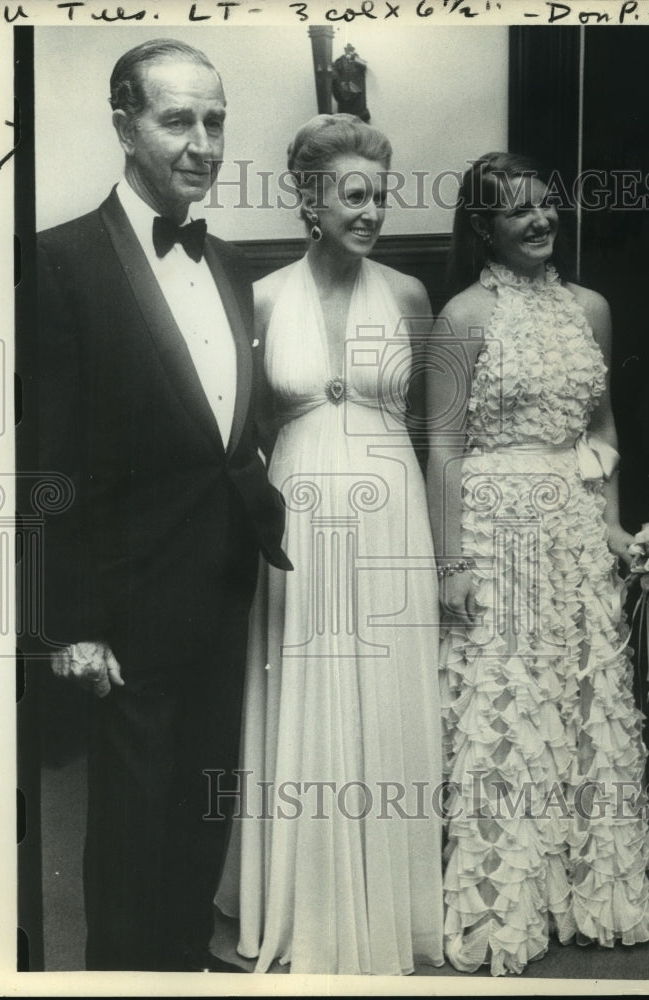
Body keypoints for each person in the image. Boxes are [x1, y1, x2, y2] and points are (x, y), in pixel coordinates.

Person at [36, 38, 290, 972]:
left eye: (215, 120)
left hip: (223, 592)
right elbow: (46, 467)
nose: (201, 142)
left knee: (199, 818)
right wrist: (70, 625)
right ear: (124, 127)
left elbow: (228, 433)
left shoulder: (228, 264)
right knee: (132, 837)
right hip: (124, 608)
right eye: (176, 119)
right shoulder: (59, 261)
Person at [214, 114, 445, 975]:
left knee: (387, 686)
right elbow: (259, 423)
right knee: (305, 681)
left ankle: (396, 903)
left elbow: (425, 425)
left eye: (380, 195)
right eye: (354, 195)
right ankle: (302, 903)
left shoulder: (412, 298)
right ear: (310, 200)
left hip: (392, 510)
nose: (373, 210)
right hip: (301, 510)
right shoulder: (263, 296)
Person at [426, 151, 649, 976]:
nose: (538, 221)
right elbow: (445, 447)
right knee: (509, 712)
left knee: (585, 699)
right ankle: (505, 909)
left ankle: (588, 894)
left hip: (571, 525)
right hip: (497, 528)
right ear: (482, 226)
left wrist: (613, 529)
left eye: (545, 206)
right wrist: (451, 561)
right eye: (516, 211)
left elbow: (602, 434)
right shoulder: (460, 316)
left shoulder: (590, 309)